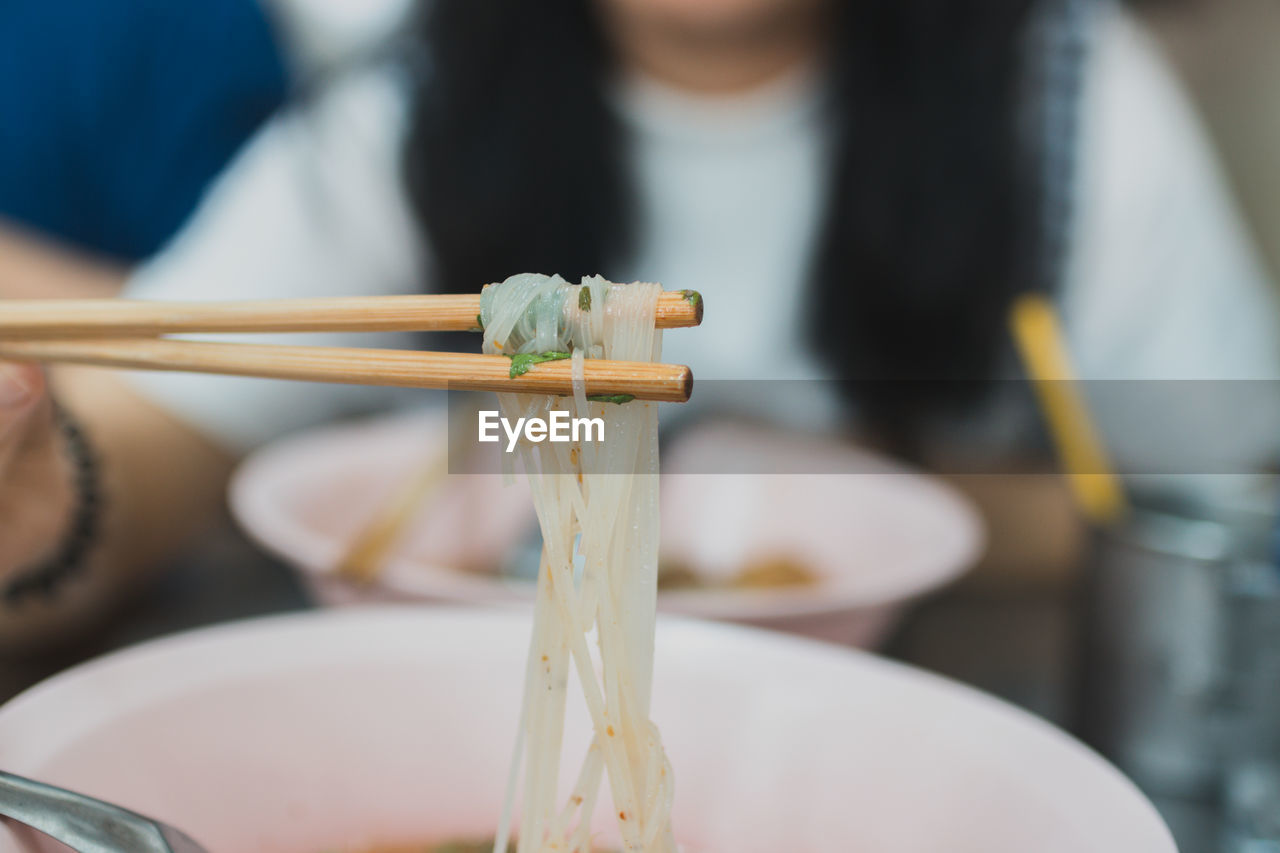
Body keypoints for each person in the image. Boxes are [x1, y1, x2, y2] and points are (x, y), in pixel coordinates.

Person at [2, 0, 1277, 646]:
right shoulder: (413, 111)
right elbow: (165, 417)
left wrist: (833, 493)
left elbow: (1225, 490)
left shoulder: (1065, 95)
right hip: (459, 719)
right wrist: (36, 502)